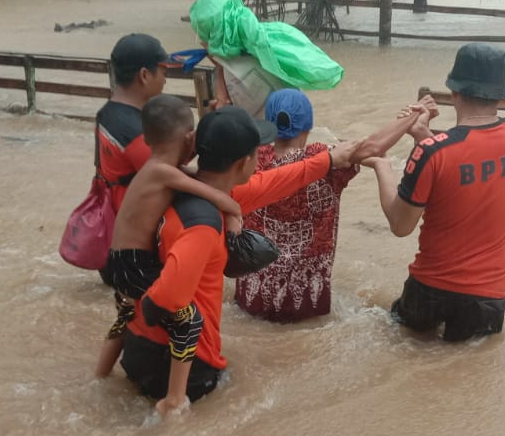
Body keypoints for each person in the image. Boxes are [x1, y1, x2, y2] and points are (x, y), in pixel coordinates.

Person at [120, 107, 358, 411]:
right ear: (245, 162)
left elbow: (277, 181)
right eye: (258, 153)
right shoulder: (203, 224)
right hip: (183, 367)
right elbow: (168, 298)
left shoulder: (184, 190)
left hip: (139, 347)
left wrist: (328, 161)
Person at [364, 43, 505, 342]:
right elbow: (468, 162)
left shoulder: (434, 152)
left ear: (454, 92)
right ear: (500, 94)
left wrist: (383, 166)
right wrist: (424, 136)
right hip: (488, 298)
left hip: (428, 292)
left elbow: (401, 225)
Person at [93, 96, 243, 391]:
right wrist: (235, 212)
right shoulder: (163, 172)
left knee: (126, 315)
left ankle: (100, 374)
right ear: (190, 139)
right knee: (188, 322)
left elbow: (191, 176)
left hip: (120, 261)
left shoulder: (154, 168)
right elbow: (208, 191)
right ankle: (175, 398)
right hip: (135, 263)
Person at [235, 89, 421, 322]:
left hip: (252, 298)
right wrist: (412, 114)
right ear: (308, 126)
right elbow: (373, 147)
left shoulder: (251, 160)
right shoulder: (323, 160)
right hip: (306, 302)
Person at [93, 33, 176, 286]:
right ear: (144, 75)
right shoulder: (133, 130)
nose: (165, 79)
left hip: (111, 240)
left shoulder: (108, 114)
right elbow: (168, 175)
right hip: (135, 251)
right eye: (163, 72)